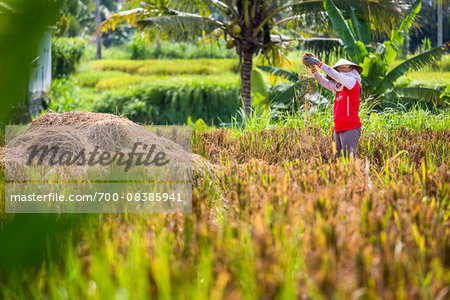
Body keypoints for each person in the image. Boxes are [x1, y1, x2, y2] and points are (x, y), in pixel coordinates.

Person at [302, 53, 363, 159]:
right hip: (339, 126)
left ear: (352, 69)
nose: (343, 70)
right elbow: (323, 81)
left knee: (349, 161)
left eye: (346, 68)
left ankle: (355, 176)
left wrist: (317, 62)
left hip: (350, 126)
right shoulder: (338, 86)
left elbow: (337, 76)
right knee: (339, 160)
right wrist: (313, 68)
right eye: (341, 68)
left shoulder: (352, 82)